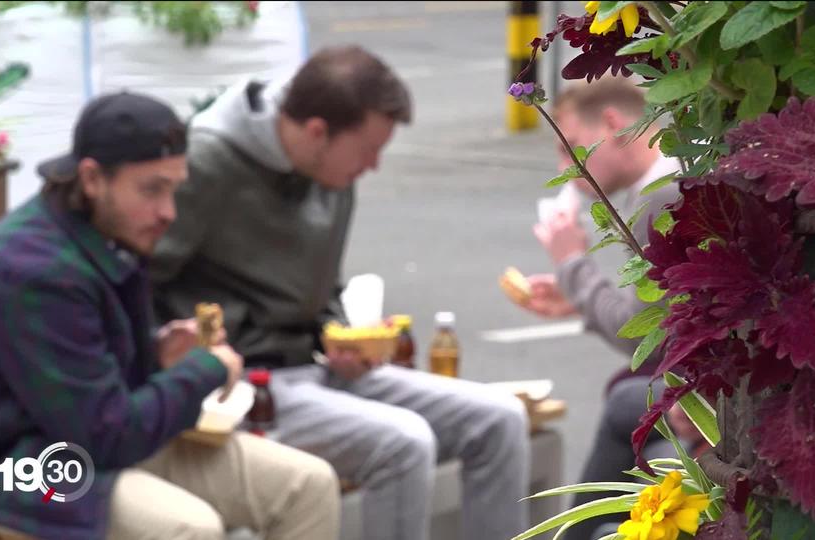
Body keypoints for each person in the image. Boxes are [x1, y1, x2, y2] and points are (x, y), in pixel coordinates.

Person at [149, 45, 530, 540]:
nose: (372, 165)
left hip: (316, 366)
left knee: (501, 419)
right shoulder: (209, 164)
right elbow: (143, 276)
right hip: (249, 382)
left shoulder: (329, 168)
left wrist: (341, 334)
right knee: (403, 443)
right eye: (368, 149)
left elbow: (318, 285)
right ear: (315, 132)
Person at [0, 92, 340, 540]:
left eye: (174, 188)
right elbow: (108, 434)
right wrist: (205, 368)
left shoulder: (103, 229)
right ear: (93, 178)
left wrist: (155, 354)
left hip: (78, 443)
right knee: (188, 529)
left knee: (308, 485)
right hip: (1, 474)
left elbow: (91, 391)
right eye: (152, 189)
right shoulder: (36, 269)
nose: (168, 212)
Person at [508, 76, 701, 540]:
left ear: (612, 123)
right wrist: (579, 304)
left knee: (623, 402)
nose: (565, 167)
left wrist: (572, 264)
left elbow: (641, 333)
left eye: (571, 147)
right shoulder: (669, 181)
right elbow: (660, 315)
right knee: (623, 402)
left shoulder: (661, 197)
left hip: (705, 396)